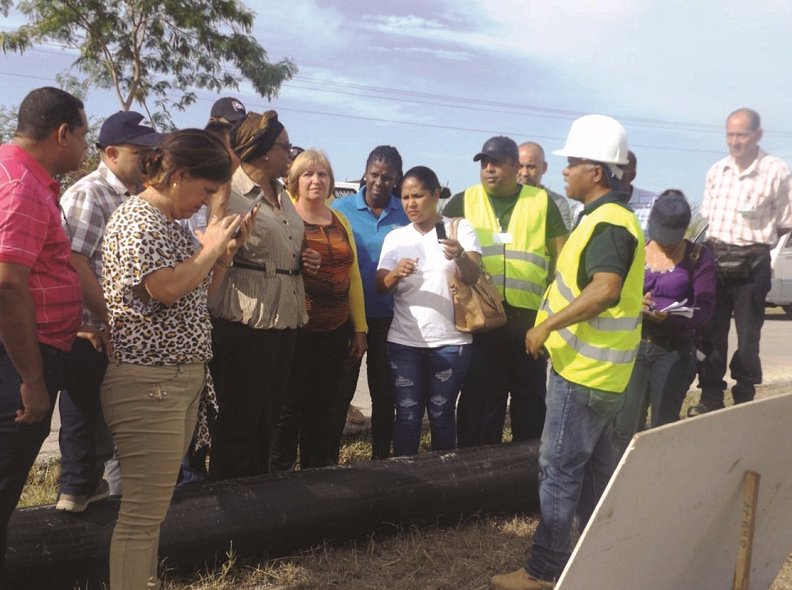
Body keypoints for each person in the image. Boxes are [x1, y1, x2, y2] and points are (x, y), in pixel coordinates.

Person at [492, 114, 644, 590]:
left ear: (596, 171)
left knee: (558, 471)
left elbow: (605, 289)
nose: (564, 170)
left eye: (573, 162)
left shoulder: (609, 224)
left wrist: (546, 327)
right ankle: (604, 559)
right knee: (598, 475)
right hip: (602, 377)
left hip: (583, 375)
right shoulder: (604, 219)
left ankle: (544, 571)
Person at [100, 129, 250, 589]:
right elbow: (163, 288)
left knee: (153, 509)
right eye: (205, 191)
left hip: (177, 381)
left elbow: (195, 295)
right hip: (150, 384)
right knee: (142, 516)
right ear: (180, 175)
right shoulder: (137, 221)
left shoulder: (167, 225)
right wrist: (208, 250)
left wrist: (220, 258)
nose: (205, 204)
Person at [0, 86, 86, 575]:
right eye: (83, 134)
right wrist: (32, 379)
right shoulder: (23, 187)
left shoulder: (16, 173)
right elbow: (9, 287)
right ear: (62, 133)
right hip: (18, 360)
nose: (82, 145)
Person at [57, 111, 162, 511]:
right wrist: (113, 318)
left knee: (115, 427)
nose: (151, 158)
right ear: (113, 153)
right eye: (142, 152)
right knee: (85, 414)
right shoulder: (91, 193)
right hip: (92, 330)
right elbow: (75, 261)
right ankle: (76, 489)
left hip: (119, 332)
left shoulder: (134, 197)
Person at [208, 111, 321, 479]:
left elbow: (283, 245)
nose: (290, 153)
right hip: (246, 320)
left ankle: (258, 500)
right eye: (284, 146)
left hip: (285, 317)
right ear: (259, 151)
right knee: (239, 417)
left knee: (268, 415)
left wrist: (305, 258)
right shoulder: (229, 194)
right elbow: (214, 255)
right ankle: (225, 497)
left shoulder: (283, 194)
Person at [444, 136, 567, 447]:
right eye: (484, 163)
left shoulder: (542, 203)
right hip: (482, 322)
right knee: (480, 403)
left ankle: (528, 476)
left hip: (529, 324)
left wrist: (551, 321)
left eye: (496, 163)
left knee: (530, 405)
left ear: (516, 166)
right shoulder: (462, 201)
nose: (489, 169)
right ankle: (478, 476)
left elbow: (563, 263)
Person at [689, 108, 792, 416]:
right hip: (716, 258)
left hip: (753, 263)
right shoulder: (716, 171)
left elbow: (786, 221)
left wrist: (763, 248)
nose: (735, 141)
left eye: (742, 135)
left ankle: (744, 395)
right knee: (711, 333)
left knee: (749, 338)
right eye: (730, 135)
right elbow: (707, 218)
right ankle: (710, 396)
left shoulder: (776, 172)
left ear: (757, 135)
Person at [270, 149, 367, 470]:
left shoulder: (339, 220)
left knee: (321, 407)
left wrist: (360, 328)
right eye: (308, 174)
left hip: (334, 332)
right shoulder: (284, 217)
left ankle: (315, 473)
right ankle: (279, 475)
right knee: (287, 408)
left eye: (322, 174)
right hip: (295, 330)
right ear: (294, 181)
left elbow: (352, 275)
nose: (316, 180)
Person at [376, 166, 482, 456]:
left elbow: (473, 276)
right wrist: (396, 273)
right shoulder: (396, 238)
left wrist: (459, 254)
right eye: (405, 197)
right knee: (408, 416)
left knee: (441, 414)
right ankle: (405, 483)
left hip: (451, 343)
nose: (410, 203)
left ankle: (443, 485)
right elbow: (380, 285)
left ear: (436, 195)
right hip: (404, 343)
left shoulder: (458, 229)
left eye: (418, 196)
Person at [612, 190, 716, 453]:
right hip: (634, 347)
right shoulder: (636, 249)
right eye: (661, 237)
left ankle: (658, 484)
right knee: (624, 425)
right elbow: (614, 292)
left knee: (663, 427)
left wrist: (672, 319)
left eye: (673, 239)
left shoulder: (698, 257)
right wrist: (633, 303)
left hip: (674, 350)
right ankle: (619, 486)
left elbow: (704, 309)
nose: (666, 245)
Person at [331, 146, 408, 459]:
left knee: (384, 389)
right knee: (342, 388)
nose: (379, 181)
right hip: (349, 316)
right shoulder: (341, 209)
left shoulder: (404, 213)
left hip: (390, 317)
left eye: (387, 177)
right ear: (365, 172)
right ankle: (329, 453)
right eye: (374, 174)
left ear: (396, 179)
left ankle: (380, 457)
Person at [518, 141, 573, 229]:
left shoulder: (557, 202)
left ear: (544, 168)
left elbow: (563, 240)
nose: (525, 173)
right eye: (520, 166)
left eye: (531, 167)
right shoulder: (502, 200)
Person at [620, 150, 657, 233]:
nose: (612, 176)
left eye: (619, 172)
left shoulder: (654, 204)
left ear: (632, 176)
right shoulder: (592, 203)